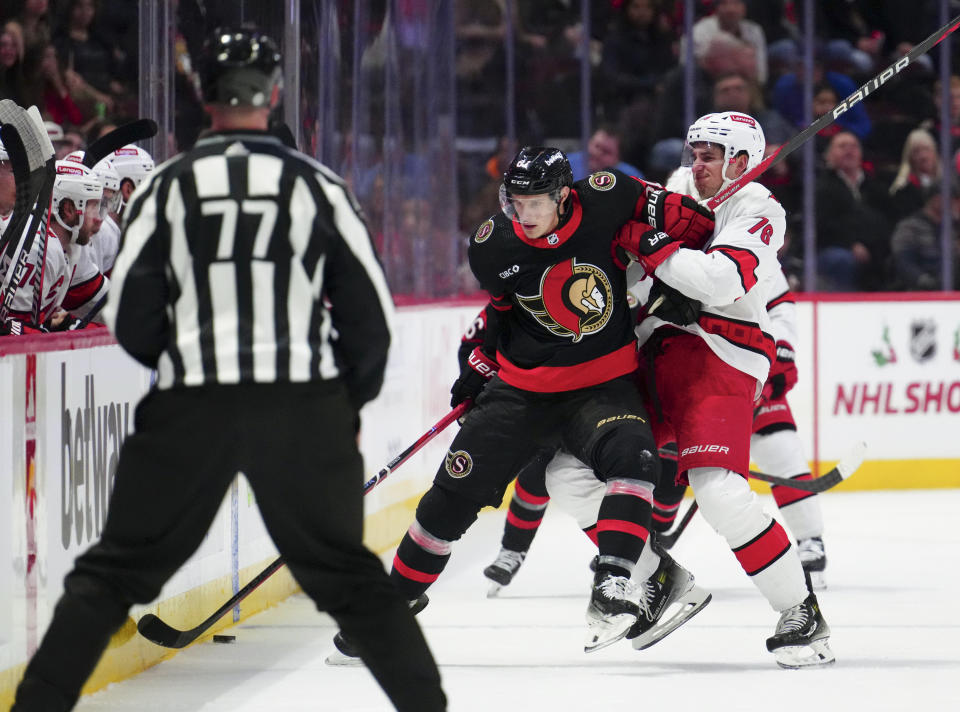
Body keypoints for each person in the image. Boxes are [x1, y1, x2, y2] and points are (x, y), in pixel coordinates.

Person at [11, 26, 447, 712]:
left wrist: (185, 369)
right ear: (274, 96)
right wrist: (340, 408)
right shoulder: (316, 185)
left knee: (111, 575)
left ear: (205, 99)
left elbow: (130, 315)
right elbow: (371, 321)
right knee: (352, 581)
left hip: (192, 405)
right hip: (303, 405)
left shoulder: (168, 188)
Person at [329, 145, 716, 660]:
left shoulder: (609, 197)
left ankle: (613, 586)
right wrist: (478, 364)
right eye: (516, 201)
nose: (524, 214)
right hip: (522, 393)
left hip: (601, 387)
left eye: (536, 202)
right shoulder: (494, 246)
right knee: (447, 501)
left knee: (633, 456)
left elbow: (696, 225)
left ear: (562, 195)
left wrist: (665, 265)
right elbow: (499, 315)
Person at [611, 110, 834, 668]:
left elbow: (719, 280)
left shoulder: (760, 209)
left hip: (723, 352)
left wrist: (653, 246)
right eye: (696, 152)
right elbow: (638, 261)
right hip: (657, 345)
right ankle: (655, 576)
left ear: (741, 161)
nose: (697, 164)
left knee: (719, 491)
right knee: (571, 460)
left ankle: (801, 614)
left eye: (711, 155)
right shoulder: (679, 188)